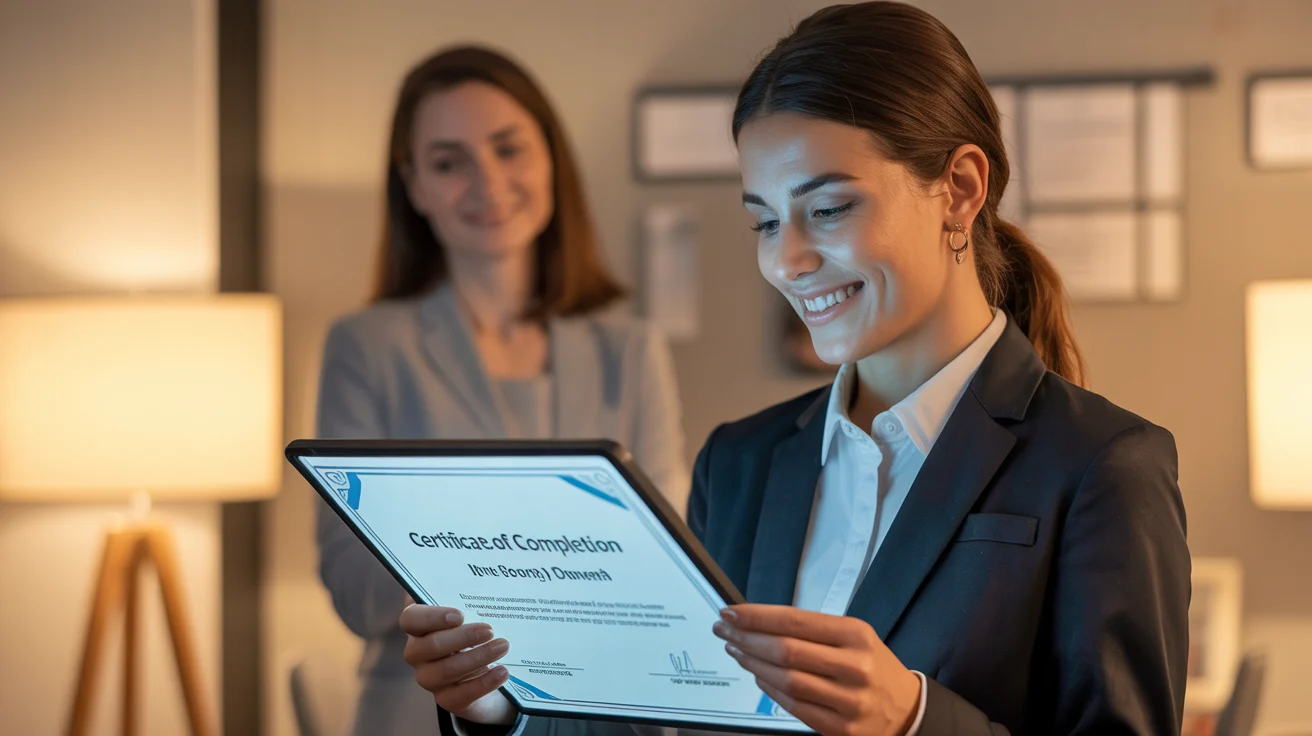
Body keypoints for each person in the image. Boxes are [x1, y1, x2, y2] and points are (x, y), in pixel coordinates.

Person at [397, 3, 1190, 735]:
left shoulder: (1102, 466)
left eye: (830, 208)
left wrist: (913, 720)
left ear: (959, 188)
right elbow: (661, 717)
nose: (788, 260)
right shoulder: (738, 464)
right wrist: (495, 704)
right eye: (766, 222)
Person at [314, 45, 689, 736]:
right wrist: (540, 560)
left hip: (603, 716)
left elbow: (664, 565)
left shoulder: (632, 348)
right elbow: (353, 592)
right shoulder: (366, 345)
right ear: (415, 186)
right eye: (448, 162)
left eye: (508, 149)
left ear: (550, 160)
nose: (487, 182)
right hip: (416, 717)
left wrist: (458, 547)